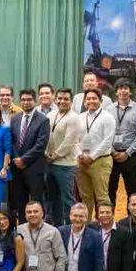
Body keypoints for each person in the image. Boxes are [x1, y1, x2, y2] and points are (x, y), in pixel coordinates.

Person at [8, 89, 49, 223]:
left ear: (35, 100)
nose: (26, 102)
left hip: (34, 168)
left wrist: (24, 159)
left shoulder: (43, 120)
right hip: (17, 168)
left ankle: (38, 229)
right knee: (20, 203)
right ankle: (22, 230)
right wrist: (16, 159)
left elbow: (41, 144)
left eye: (29, 99)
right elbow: (11, 141)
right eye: (23, 100)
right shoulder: (15, 118)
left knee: (36, 202)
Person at [45, 89, 83, 226]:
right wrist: (45, 154)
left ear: (71, 101)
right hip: (49, 164)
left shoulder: (74, 118)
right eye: (59, 98)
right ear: (55, 99)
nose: (62, 101)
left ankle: (70, 227)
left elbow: (69, 141)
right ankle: (56, 225)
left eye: (66, 99)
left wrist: (53, 156)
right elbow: (45, 136)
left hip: (65, 165)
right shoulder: (50, 114)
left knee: (67, 199)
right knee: (52, 198)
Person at [75, 90, 115, 218]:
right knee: (85, 196)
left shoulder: (107, 117)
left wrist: (92, 157)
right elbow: (74, 139)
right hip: (81, 161)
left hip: (100, 161)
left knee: (102, 197)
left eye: (94, 98)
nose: (91, 101)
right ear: (84, 101)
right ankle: (85, 227)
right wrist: (80, 154)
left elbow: (108, 141)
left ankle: (106, 228)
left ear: (101, 101)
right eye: (88, 99)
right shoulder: (80, 117)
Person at [16, 200, 66, 271]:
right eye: (29, 212)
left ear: (42, 213)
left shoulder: (53, 231)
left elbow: (61, 257)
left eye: (35, 211)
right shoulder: (18, 230)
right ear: (25, 215)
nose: (32, 214)